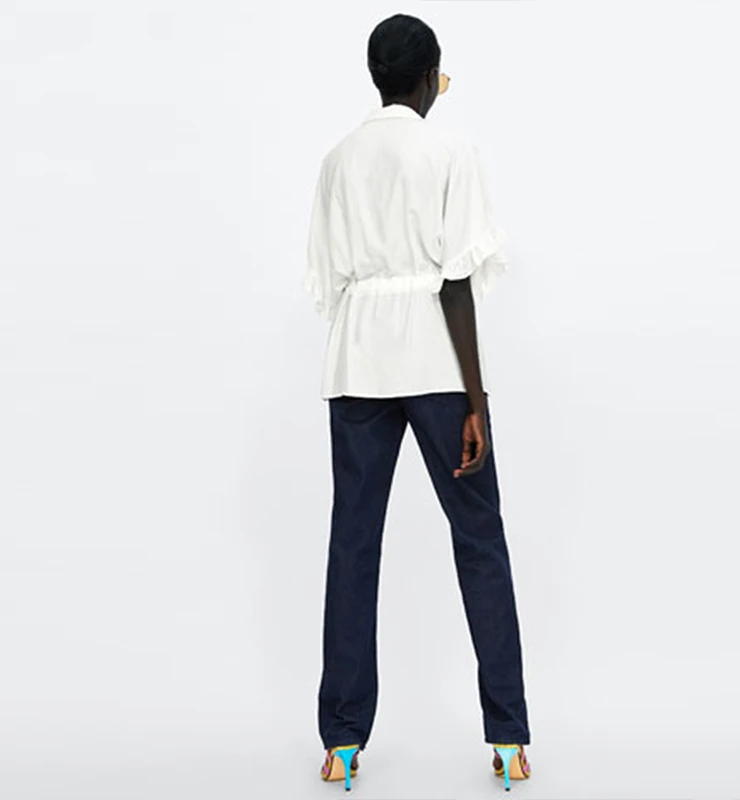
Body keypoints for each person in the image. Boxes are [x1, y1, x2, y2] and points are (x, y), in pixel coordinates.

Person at [304, 13, 531, 792]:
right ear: (430, 77)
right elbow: (456, 280)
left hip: (357, 361)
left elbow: (328, 277)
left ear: (377, 77)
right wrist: (476, 398)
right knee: (480, 540)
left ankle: (341, 743)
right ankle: (508, 737)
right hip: (435, 360)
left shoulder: (338, 160)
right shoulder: (449, 151)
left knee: (353, 545)